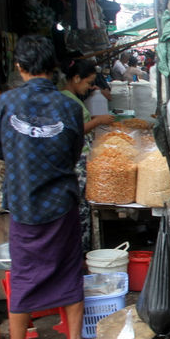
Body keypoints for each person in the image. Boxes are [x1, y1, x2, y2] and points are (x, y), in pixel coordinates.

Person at [0, 36, 91, 339]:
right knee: (68, 268)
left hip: (23, 201)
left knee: (23, 274)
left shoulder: (7, 102)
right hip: (60, 201)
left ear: (19, 67)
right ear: (54, 68)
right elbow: (74, 151)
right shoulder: (70, 107)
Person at [60, 59, 115, 252]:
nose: (91, 87)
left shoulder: (72, 99)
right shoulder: (66, 99)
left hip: (83, 157)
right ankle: (81, 251)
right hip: (78, 161)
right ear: (76, 78)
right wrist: (98, 120)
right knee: (81, 207)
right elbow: (73, 130)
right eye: (88, 82)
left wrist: (95, 119)